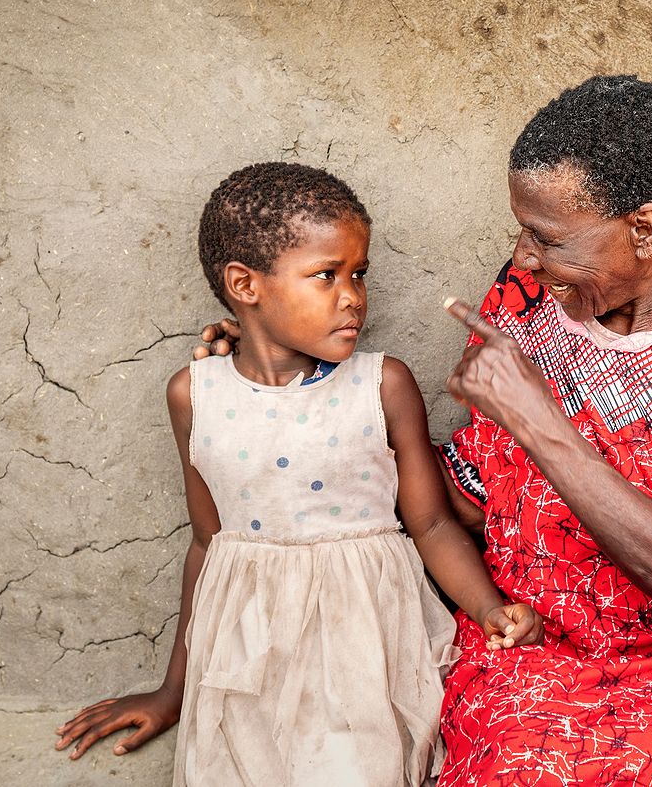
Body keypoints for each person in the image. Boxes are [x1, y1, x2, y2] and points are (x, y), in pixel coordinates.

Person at [200, 75, 652, 785]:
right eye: (522, 231)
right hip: (523, 643)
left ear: (645, 231)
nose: (524, 256)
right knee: (519, 767)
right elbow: (467, 504)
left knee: (647, 768)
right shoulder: (528, 297)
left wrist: (537, 419)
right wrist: (277, 373)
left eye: (548, 238)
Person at [54, 162, 542, 786]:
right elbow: (208, 542)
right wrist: (173, 691)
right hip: (250, 655)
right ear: (245, 286)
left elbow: (432, 522)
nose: (353, 296)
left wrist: (489, 608)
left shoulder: (383, 386)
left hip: (364, 642)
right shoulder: (194, 396)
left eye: (358, 273)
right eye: (325, 276)